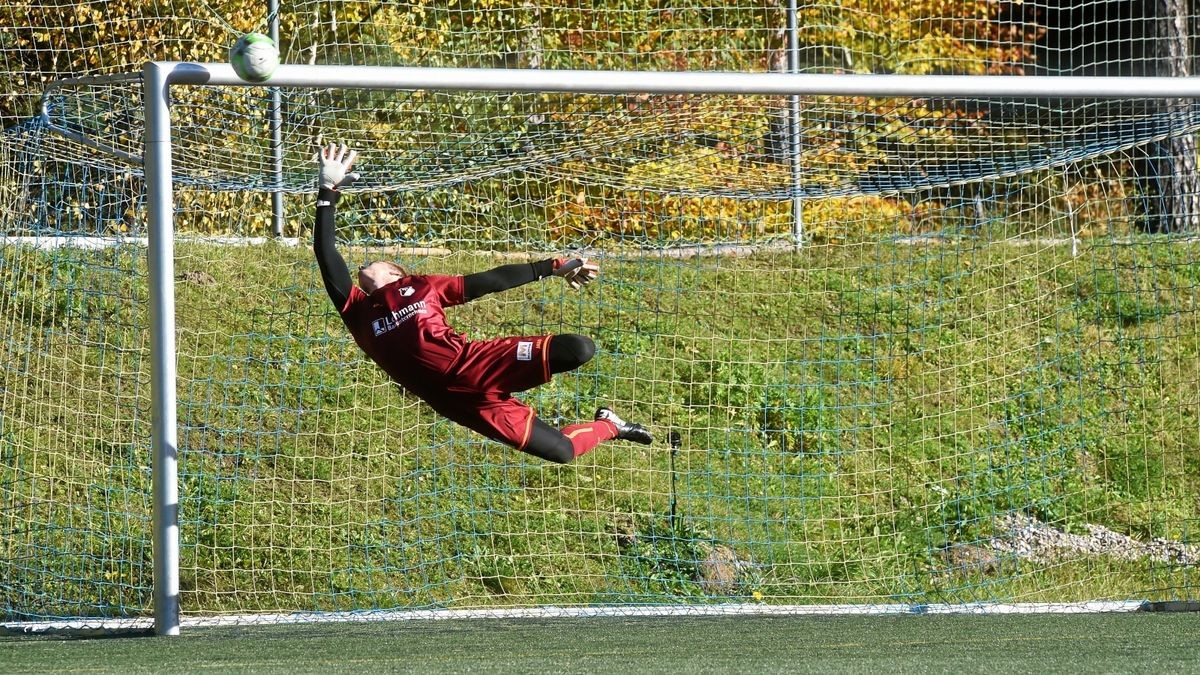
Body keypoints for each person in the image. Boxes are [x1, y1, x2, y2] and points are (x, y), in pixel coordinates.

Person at [311, 143, 653, 463]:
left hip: (476, 364)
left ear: (394, 272)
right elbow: (327, 255)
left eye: (371, 263)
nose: (359, 268)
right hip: (458, 403)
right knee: (562, 451)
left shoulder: (421, 286)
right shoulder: (357, 312)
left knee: (580, 349)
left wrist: (550, 267)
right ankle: (611, 425)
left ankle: (599, 412)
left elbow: (488, 281)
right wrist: (329, 191)